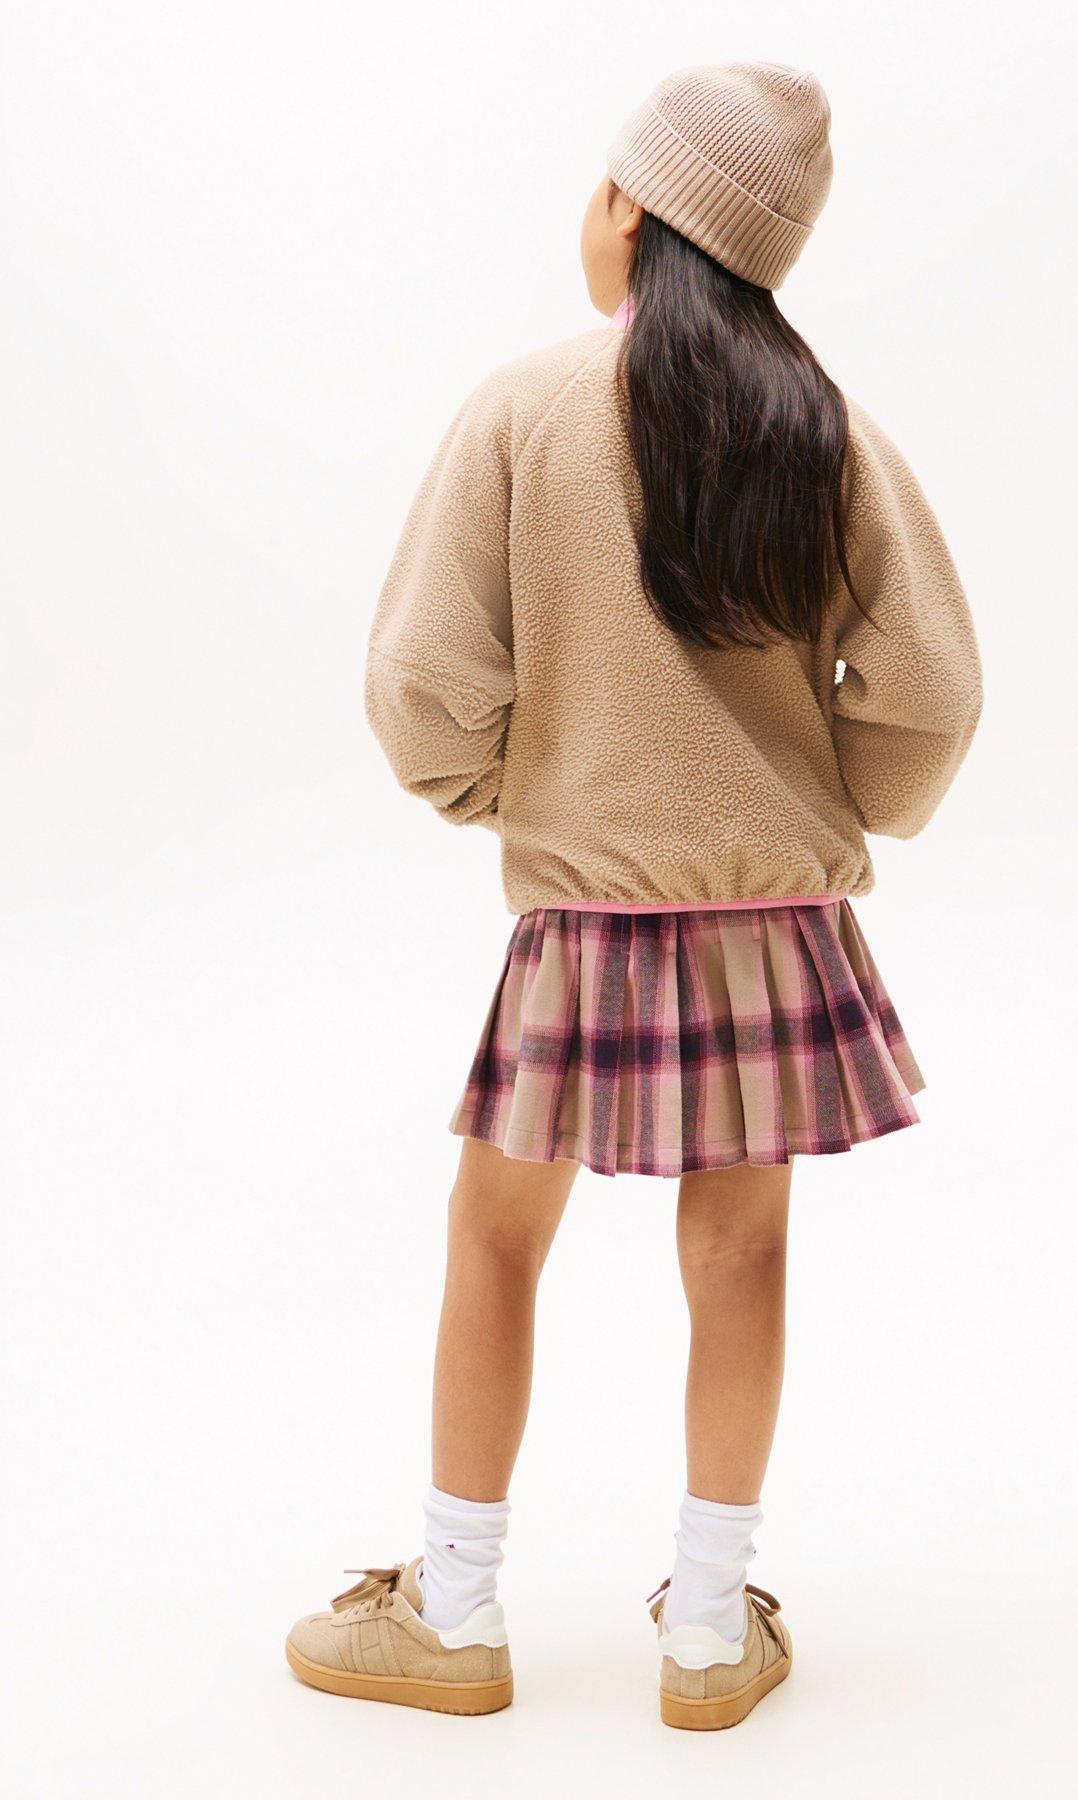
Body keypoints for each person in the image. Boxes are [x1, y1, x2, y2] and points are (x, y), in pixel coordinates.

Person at [285, 60, 981, 1731]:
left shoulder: (526, 411)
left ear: (628, 211)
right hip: (771, 932)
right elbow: (930, 696)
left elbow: (420, 679)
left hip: (584, 926)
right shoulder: (825, 433)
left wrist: (501, 796)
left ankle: (453, 1612)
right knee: (739, 1254)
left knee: (492, 1241)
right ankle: (709, 1631)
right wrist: (827, 815)